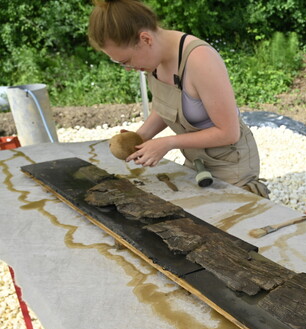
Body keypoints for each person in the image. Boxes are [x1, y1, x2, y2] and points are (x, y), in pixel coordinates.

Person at [87, 0, 269, 197]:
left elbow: (228, 133)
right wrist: (140, 137)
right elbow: (168, 105)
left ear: (146, 39)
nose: (129, 68)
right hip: (196, 162)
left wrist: (167, 143)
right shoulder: (153, 59)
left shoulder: (200, 59)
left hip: (231, 166)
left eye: (126, 61)